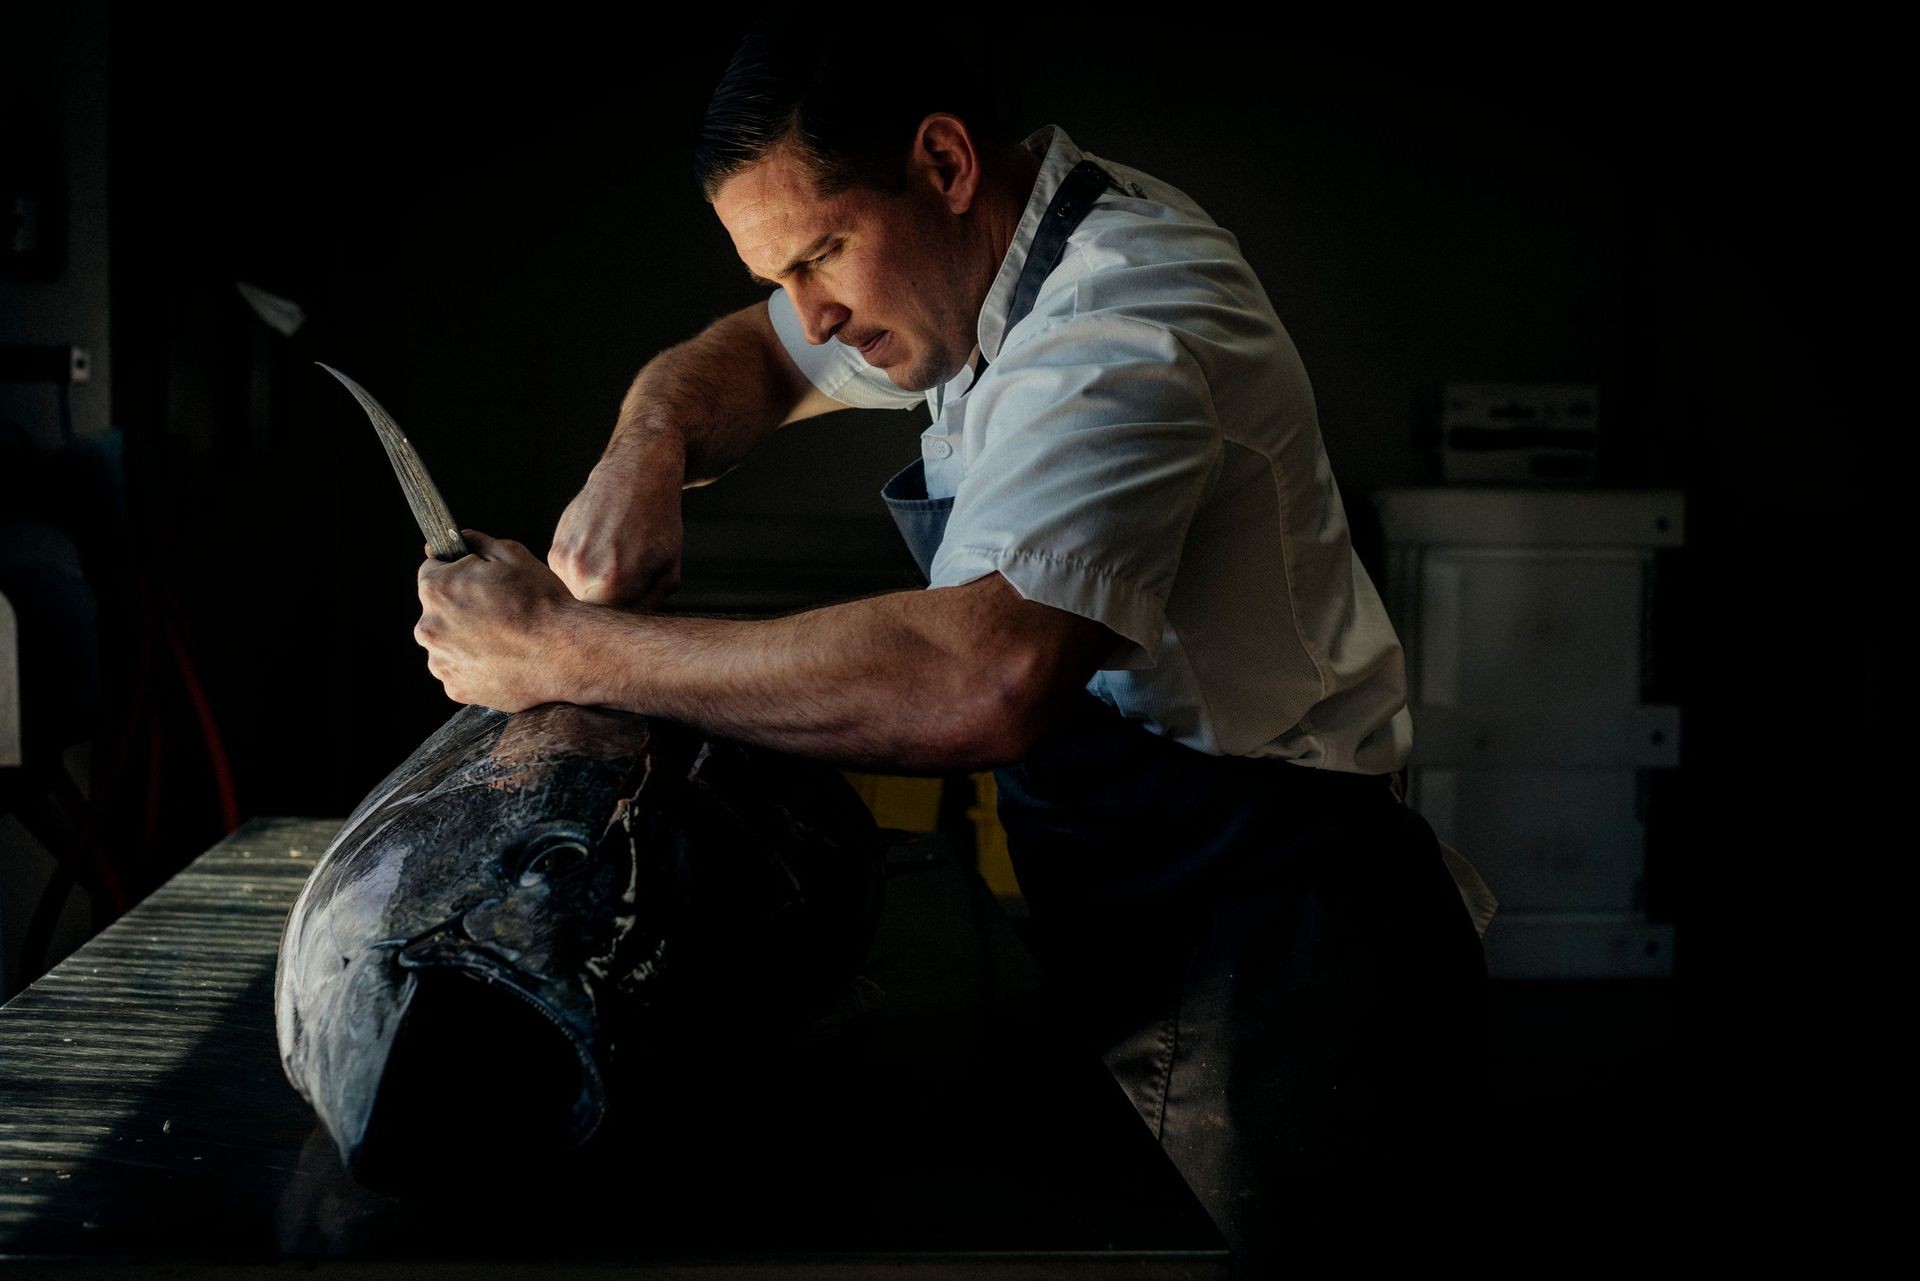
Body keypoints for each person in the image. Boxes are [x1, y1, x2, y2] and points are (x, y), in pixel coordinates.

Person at [413, 23, 1491, 1275]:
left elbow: (983, 678)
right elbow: (758, 351)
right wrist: (643, 446)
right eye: (780, 267)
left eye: (820, 253)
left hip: (1285, 958)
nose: (810, 309)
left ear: (943, 162)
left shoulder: (1124, 327)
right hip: (1142, 897)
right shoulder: (979, 263)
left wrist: (563, 653)